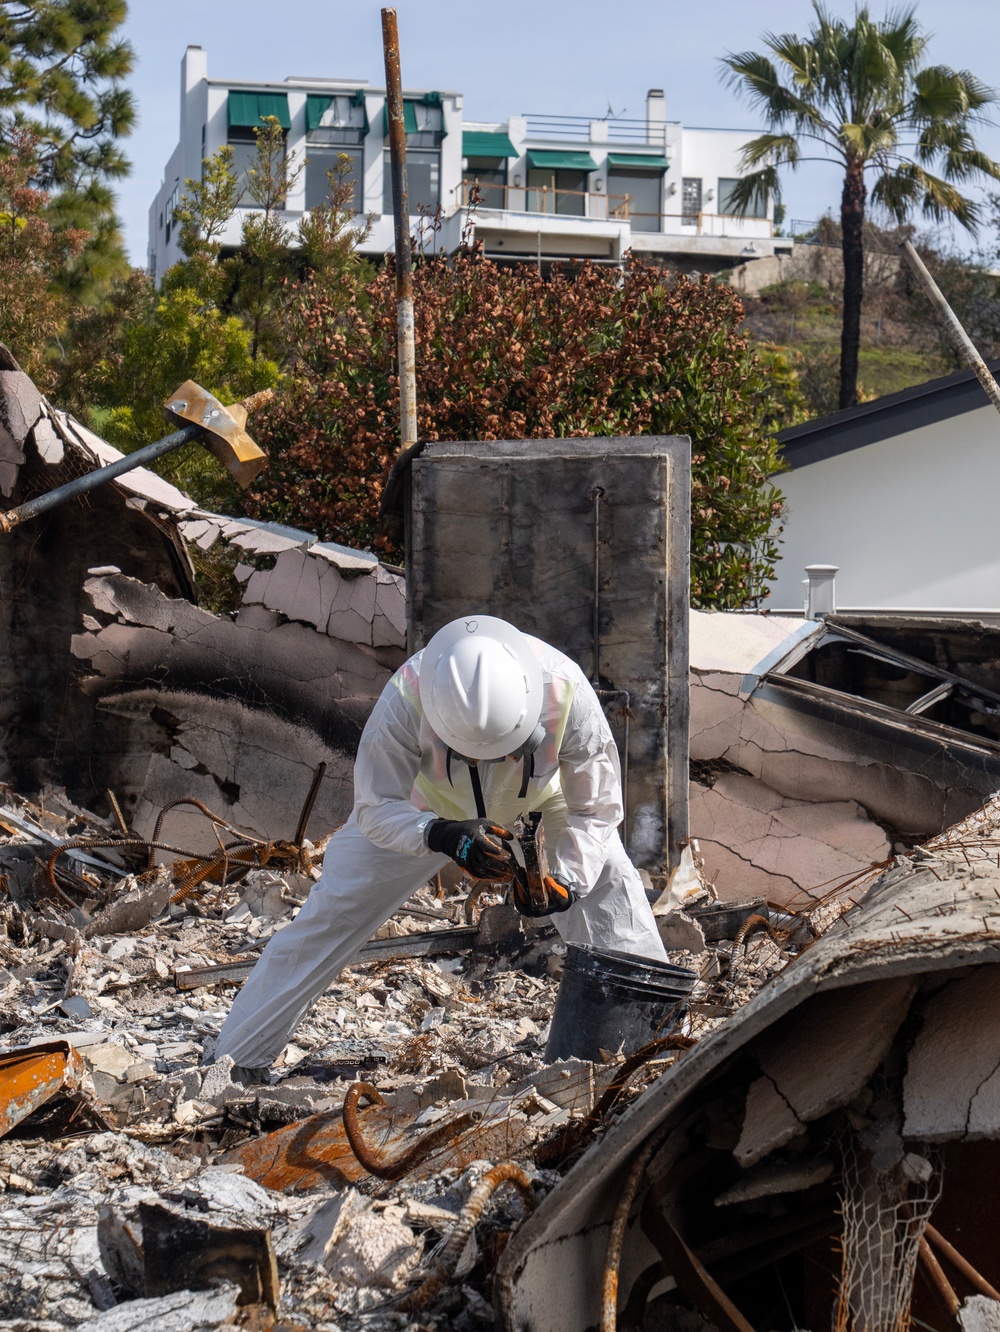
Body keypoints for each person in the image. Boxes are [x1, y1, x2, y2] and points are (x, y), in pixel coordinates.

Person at [214, 614, 666, 1081]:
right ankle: (235, 1062)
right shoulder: (405, 697)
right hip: (425, 804)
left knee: (608, 890)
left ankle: (653, 1047)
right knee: (332, 913)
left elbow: (595, 809)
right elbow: (375, 806)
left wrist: (569, 879)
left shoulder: (565, 689)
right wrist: (439, 833)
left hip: (543, 798)